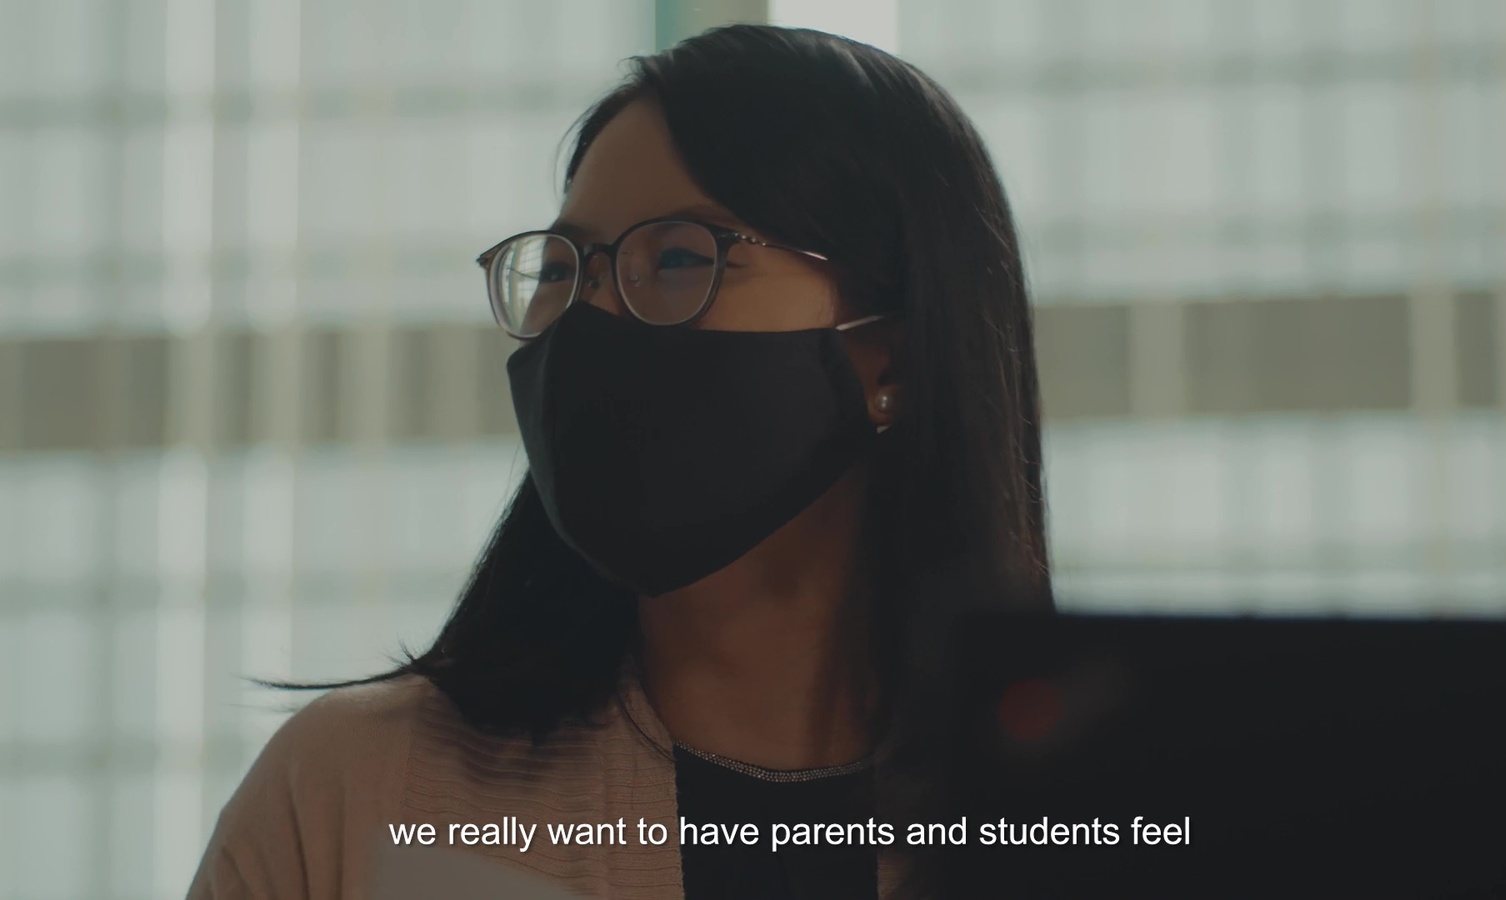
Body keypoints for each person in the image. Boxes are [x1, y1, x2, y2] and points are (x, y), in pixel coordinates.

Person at [187, 23, 1051, 900]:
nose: (591, 322)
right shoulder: (356, 788)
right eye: (562, 271)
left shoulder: (1094, 816)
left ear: (889, 361)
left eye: (678, 258)